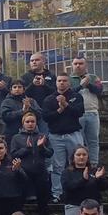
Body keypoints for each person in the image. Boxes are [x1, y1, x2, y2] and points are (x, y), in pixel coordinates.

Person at [42, 73, 85, 202]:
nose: (62, 83)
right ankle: (57, 194)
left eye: (64, 81)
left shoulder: (76, 96)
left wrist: (66, 105)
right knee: (57, 166)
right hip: (56, 136)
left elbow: (79, 112)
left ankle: (79, 189)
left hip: (73, 134)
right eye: (59, 80)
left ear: (69, 83)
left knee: (77, 163)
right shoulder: (49, 99)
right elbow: (46, 117)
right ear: (56, 83)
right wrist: (59, 111)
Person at [10, 112, 53, 215]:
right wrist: (27, 149)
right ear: (23, 123)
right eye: (27, 122)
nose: (30, 124)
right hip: (23, 173)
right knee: (19, 201)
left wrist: (41, 147)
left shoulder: (42, 136)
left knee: (43, 202)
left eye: (32, 121)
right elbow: (13, 154)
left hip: (40, 172)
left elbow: (50, 153)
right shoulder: (16, 138)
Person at [62, 146, 108, 215]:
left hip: (94, 209)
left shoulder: (94, 170)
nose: (81, 157)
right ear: (73, 157)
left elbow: (105, 187)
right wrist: (83, 180)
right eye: (78, 155)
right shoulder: (67, 172)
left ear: (88, 157)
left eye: (84, 154)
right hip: (74, 207)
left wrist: (99, 179)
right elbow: (69, 187)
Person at [69, 54, 105, 166]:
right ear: (72, 65)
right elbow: (68, 94)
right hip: (77, 114)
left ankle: (93, 164)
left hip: (92, 113)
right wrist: (80, 86)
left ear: (86, 65)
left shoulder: (94, 77)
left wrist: (88, 84)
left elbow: (99, 91)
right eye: (75, 64)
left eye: (80, 63)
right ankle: (77, 164)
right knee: (78, 142)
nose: (78, 66)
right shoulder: (69, 79)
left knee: (93, 141)